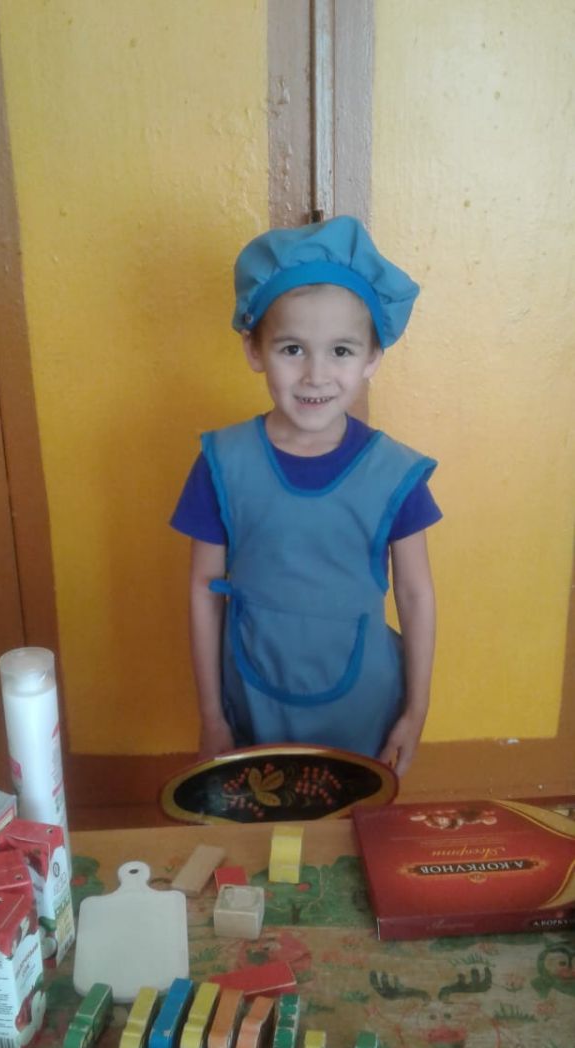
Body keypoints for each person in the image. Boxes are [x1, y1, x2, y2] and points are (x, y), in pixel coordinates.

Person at [171, 216, 441, 776]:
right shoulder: (222, 464)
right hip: (250, 703)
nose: (316, 375)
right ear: (254, 348)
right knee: (261, 816)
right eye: (292, 348)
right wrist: (211, 714)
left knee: (353, 823)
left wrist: (416, 711)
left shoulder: (396, 474)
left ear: (372, 357)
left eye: (341, 350)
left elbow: (416, 595)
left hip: (365, 709)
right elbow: (202, 589)